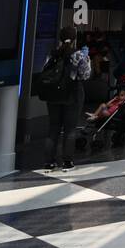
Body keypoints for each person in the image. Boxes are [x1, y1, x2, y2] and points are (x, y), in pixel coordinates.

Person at [42, 27, 91, 171]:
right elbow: (85, 75)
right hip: (73, 94)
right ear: (74, 38)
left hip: (53, 95)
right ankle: (67, 162)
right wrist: (86, 57)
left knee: (53, 128)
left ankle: (49, 162)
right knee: (70, 129)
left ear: (60, 38)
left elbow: (46, 70)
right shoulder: (78, 55)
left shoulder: (52, 54)